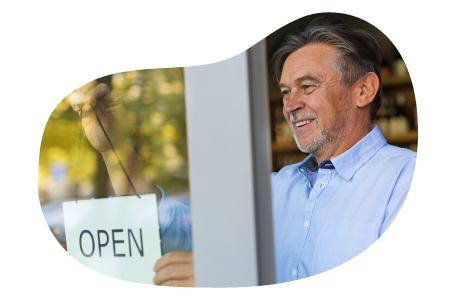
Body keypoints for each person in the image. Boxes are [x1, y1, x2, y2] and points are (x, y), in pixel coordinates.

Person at [70, 17, 415, 288]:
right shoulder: (273, 190)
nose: (291, 106)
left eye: (307, 87)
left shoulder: (411, 183)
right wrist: (118, 151)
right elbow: (176, 230)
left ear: (364, 90)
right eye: (285, 92)